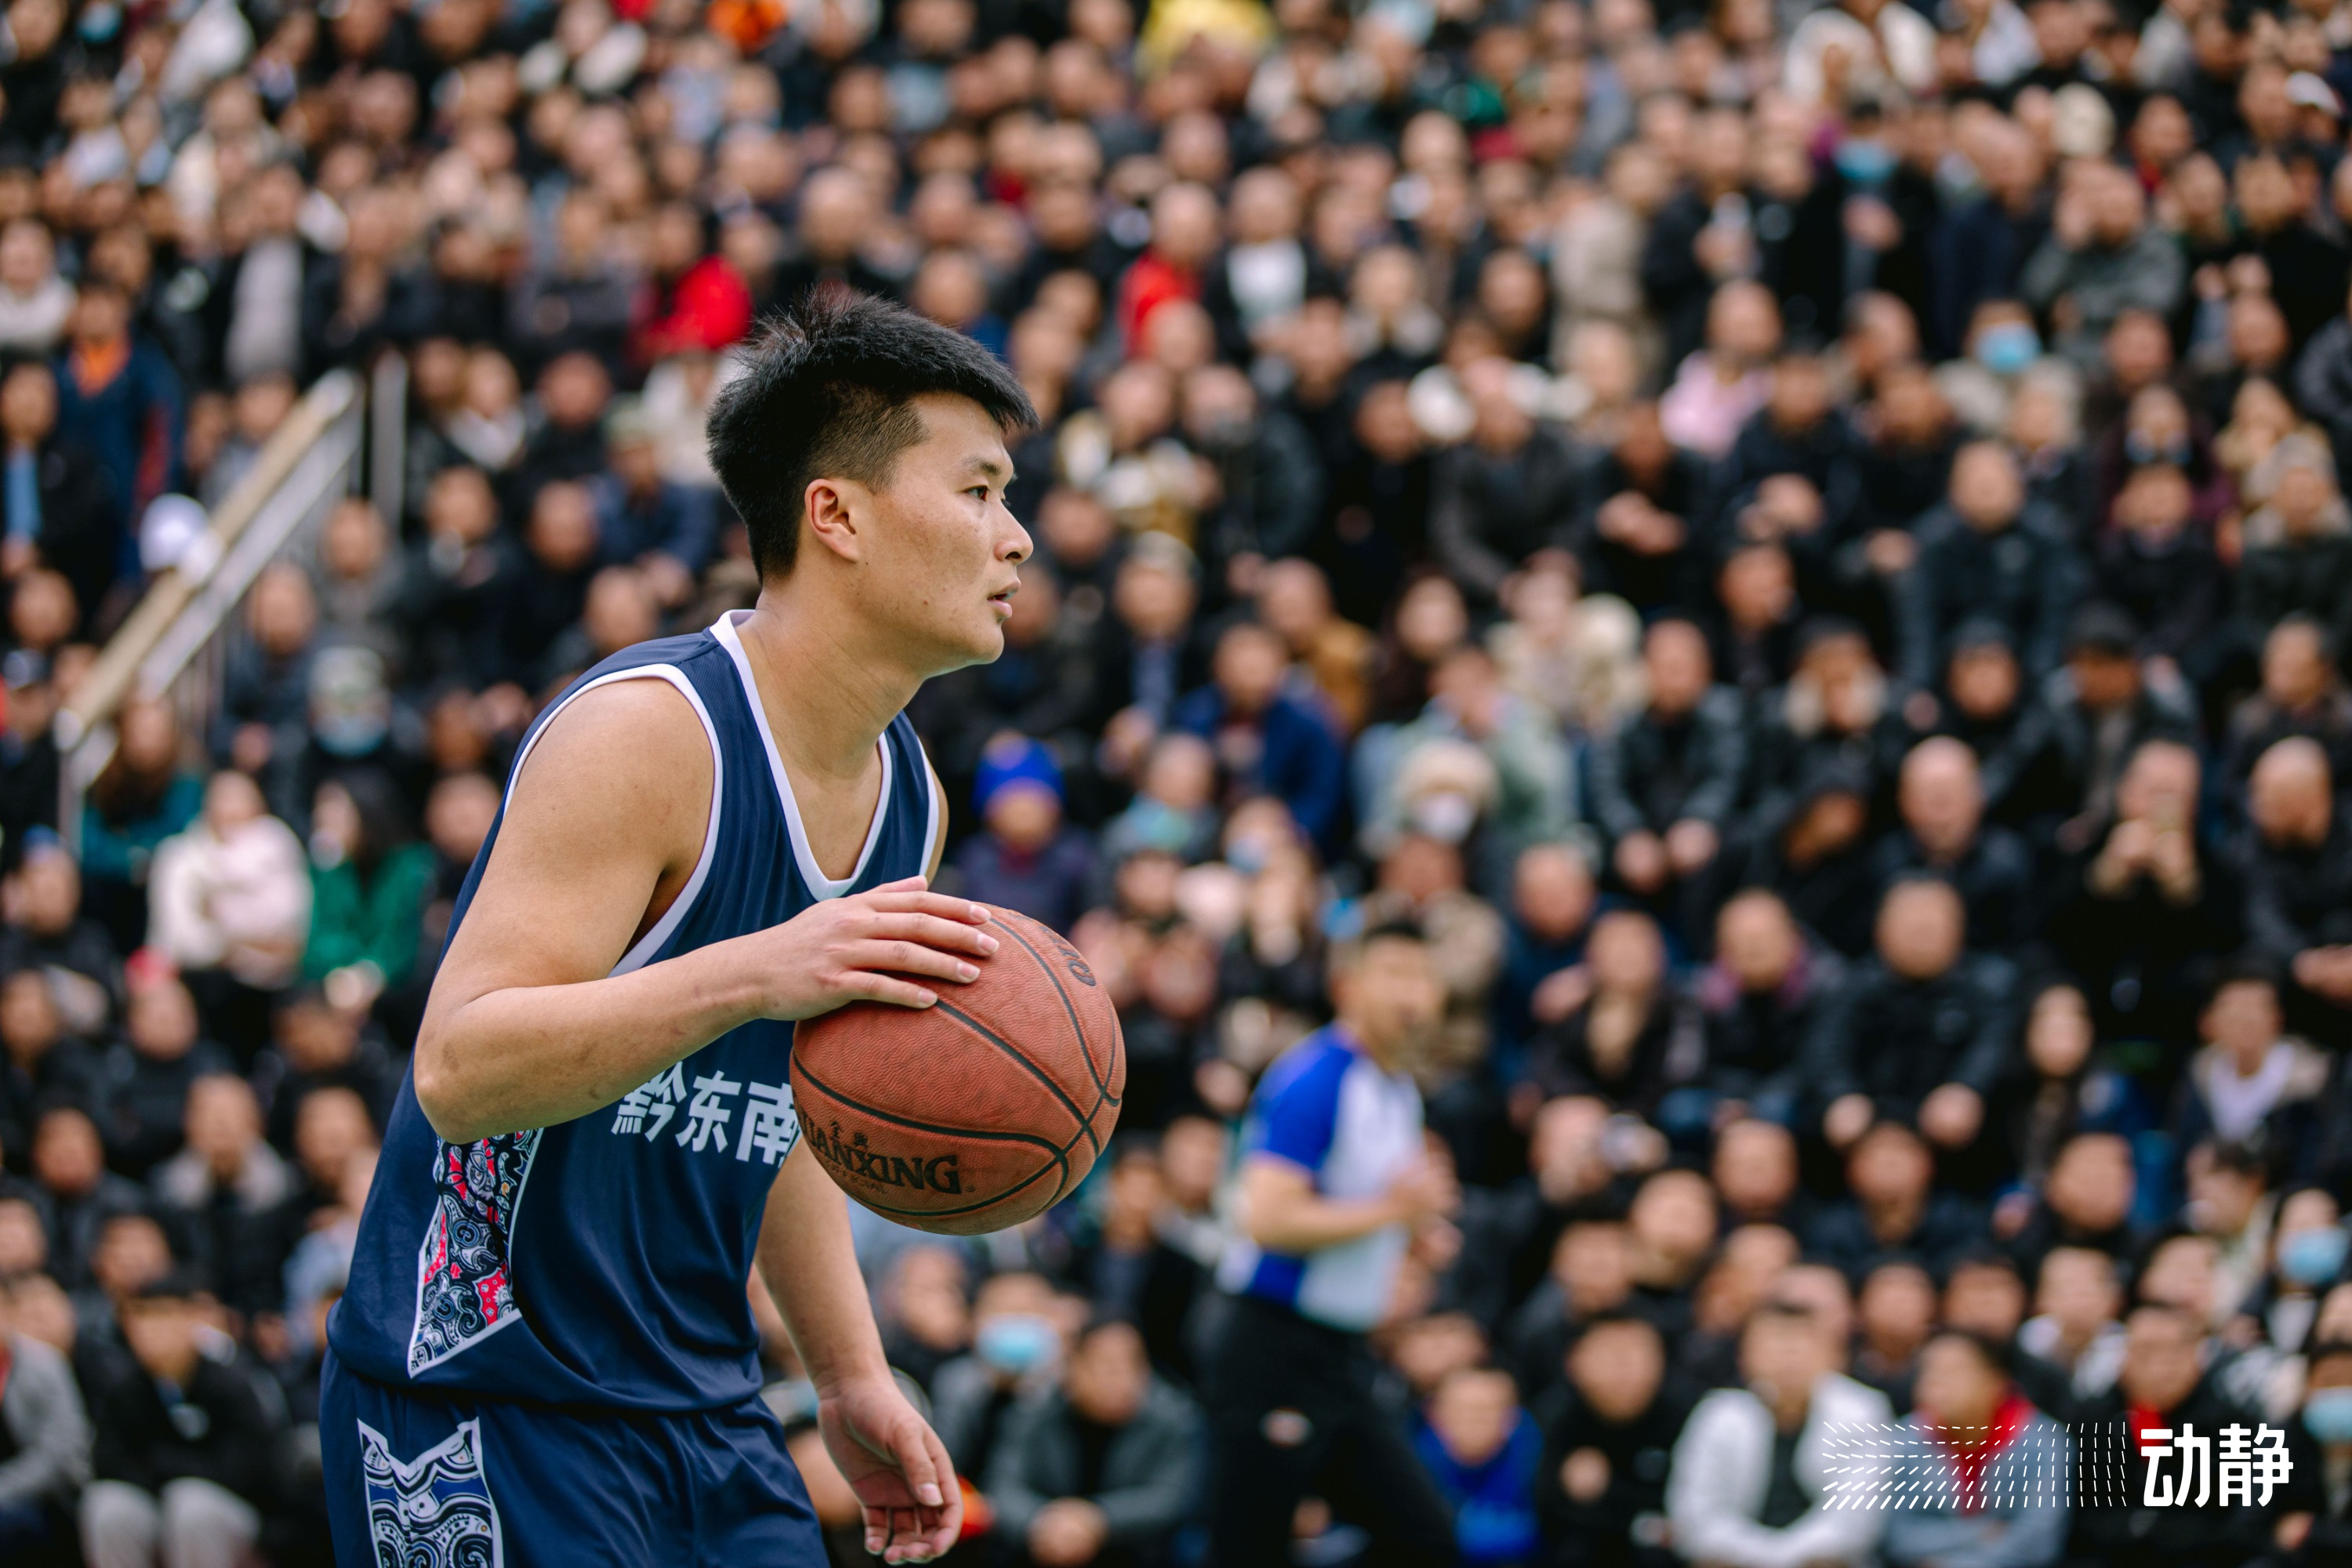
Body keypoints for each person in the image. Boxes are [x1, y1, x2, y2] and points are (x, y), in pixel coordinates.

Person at [324, 295, 1039, 1564]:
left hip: (706, 1407)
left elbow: (797, 1107)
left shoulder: (909, 799)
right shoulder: (648, 734)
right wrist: (756, 972)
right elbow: (461, 1068)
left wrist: (850, 1372)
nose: (1016, 536)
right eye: (978, 491)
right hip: (490, 1402)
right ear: (836, 516)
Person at [1203, 918, 1461, 1567]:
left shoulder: (1397, 1088)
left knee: (1425, 1539)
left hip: (1343, 1355)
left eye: (1424, 977)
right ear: (1347, 986)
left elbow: (1367, 1205)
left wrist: (1416, 1232)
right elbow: (1268, 1218)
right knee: (1248, 1550)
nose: (1413, 993)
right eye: (1395, 974)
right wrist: (1393, 1211)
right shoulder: (1316, 1078)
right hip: (1273, 1346)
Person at [1664, 1300, 1892, 1568]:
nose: (1788, 1356)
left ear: (1834, 1355)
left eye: (1802, 1343)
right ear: (1744, 1357)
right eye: (1774, 1342)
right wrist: (1764, 1556)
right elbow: (1695, 1515)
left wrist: (1783, 1558)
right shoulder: (1717, 1414)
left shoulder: (1863, 1411)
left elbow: (1854, 1521)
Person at [983, 1316, 1203, 1568]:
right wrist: (1042, 1523)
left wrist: (1096, 1520)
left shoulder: (1173, 1416)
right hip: (1041, 1551)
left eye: (1134, 1365)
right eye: (1109, 1367)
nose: (1123, 1380)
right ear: (1073, 1367)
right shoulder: (1033, 1410)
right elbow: (1002, 1485)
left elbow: (1172, 1498)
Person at [1882, 1329, 2071, 1568]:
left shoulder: (2043, 1442)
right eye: (1928, 1370)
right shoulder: (1906, 1438)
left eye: (1952, 1372)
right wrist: (1979, 1533)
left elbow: (2038, 1541)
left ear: (1995, 1383)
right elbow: (1897, 1536)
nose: (1935, 1382)